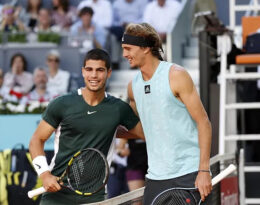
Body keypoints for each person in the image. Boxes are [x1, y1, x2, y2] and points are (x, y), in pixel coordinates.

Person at [29, 48, 144, 205]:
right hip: (56, 196)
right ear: (83, 72)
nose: (94, 75)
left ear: (109, 73)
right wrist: (44, 174)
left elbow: (142, 133)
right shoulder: (62, 104)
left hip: (95, 196)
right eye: (89, 69)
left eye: (100, 70)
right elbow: (37, 139)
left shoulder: (118, 108)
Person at [121, 23, 212, 204]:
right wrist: (108, 131)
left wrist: (203, 170)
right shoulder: (133, 87)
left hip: (188, 173)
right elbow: (143, 131)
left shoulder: (176, 75)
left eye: (128, 48)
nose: (124, 55)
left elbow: (204, 123)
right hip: (155, 177)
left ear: (146, 48)